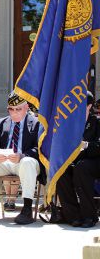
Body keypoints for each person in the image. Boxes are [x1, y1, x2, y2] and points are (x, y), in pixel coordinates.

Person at [0, 92, 45, 225]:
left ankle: (27, 209)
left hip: (25, 161)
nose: (14, 113)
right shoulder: (0, 122)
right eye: (11, 109)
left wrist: (22, 155)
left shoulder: (37, 123)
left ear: (26, 107)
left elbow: (40, 148)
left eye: (18, 109)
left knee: (27, 162)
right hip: (5, 161)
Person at [56, 91, 100, 228]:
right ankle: (73, 216)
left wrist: (85, 145)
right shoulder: (69, 124)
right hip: (76, 161)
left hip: (95, 161)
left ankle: (89, 216)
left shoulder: (97, 122)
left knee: (82, 167)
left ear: (89, 106)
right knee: (61, 171)